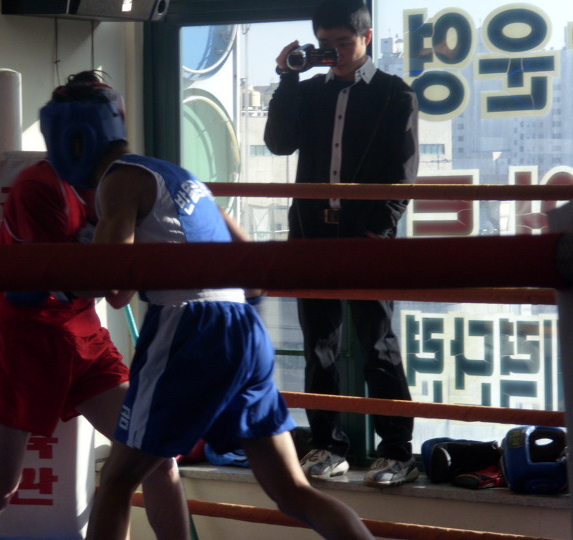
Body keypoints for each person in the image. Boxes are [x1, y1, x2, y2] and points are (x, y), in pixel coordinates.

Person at [39, 71, 375, 540]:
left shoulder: (118, 182)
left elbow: (112, 287)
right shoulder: (179, 175)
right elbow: (252, 268)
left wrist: (62, 275)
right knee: (291, 490)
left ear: (70, 139)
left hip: (189, 326)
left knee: (116, 481)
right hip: (245, 327)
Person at [0, 74, 190, 540]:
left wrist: (132, 256)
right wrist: (124, 263)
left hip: (84, 338)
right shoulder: (37, 186)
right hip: (25, 343)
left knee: (156, 457)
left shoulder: (115, 184)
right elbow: (69, 284)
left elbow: (115, 291)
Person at [264, 0, 420, 487]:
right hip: (312, 231)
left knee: (378, 342)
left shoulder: (395, 94)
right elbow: (278, 143)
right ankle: (328, 445)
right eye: (325, 44)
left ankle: (396, 452)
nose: (334, 52)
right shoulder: (309, 91)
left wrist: (380, 227)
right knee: (319, 344)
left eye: (344, 43)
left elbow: (403, 172)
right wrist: (287, 79)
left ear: (366, 38)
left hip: (367, 236)